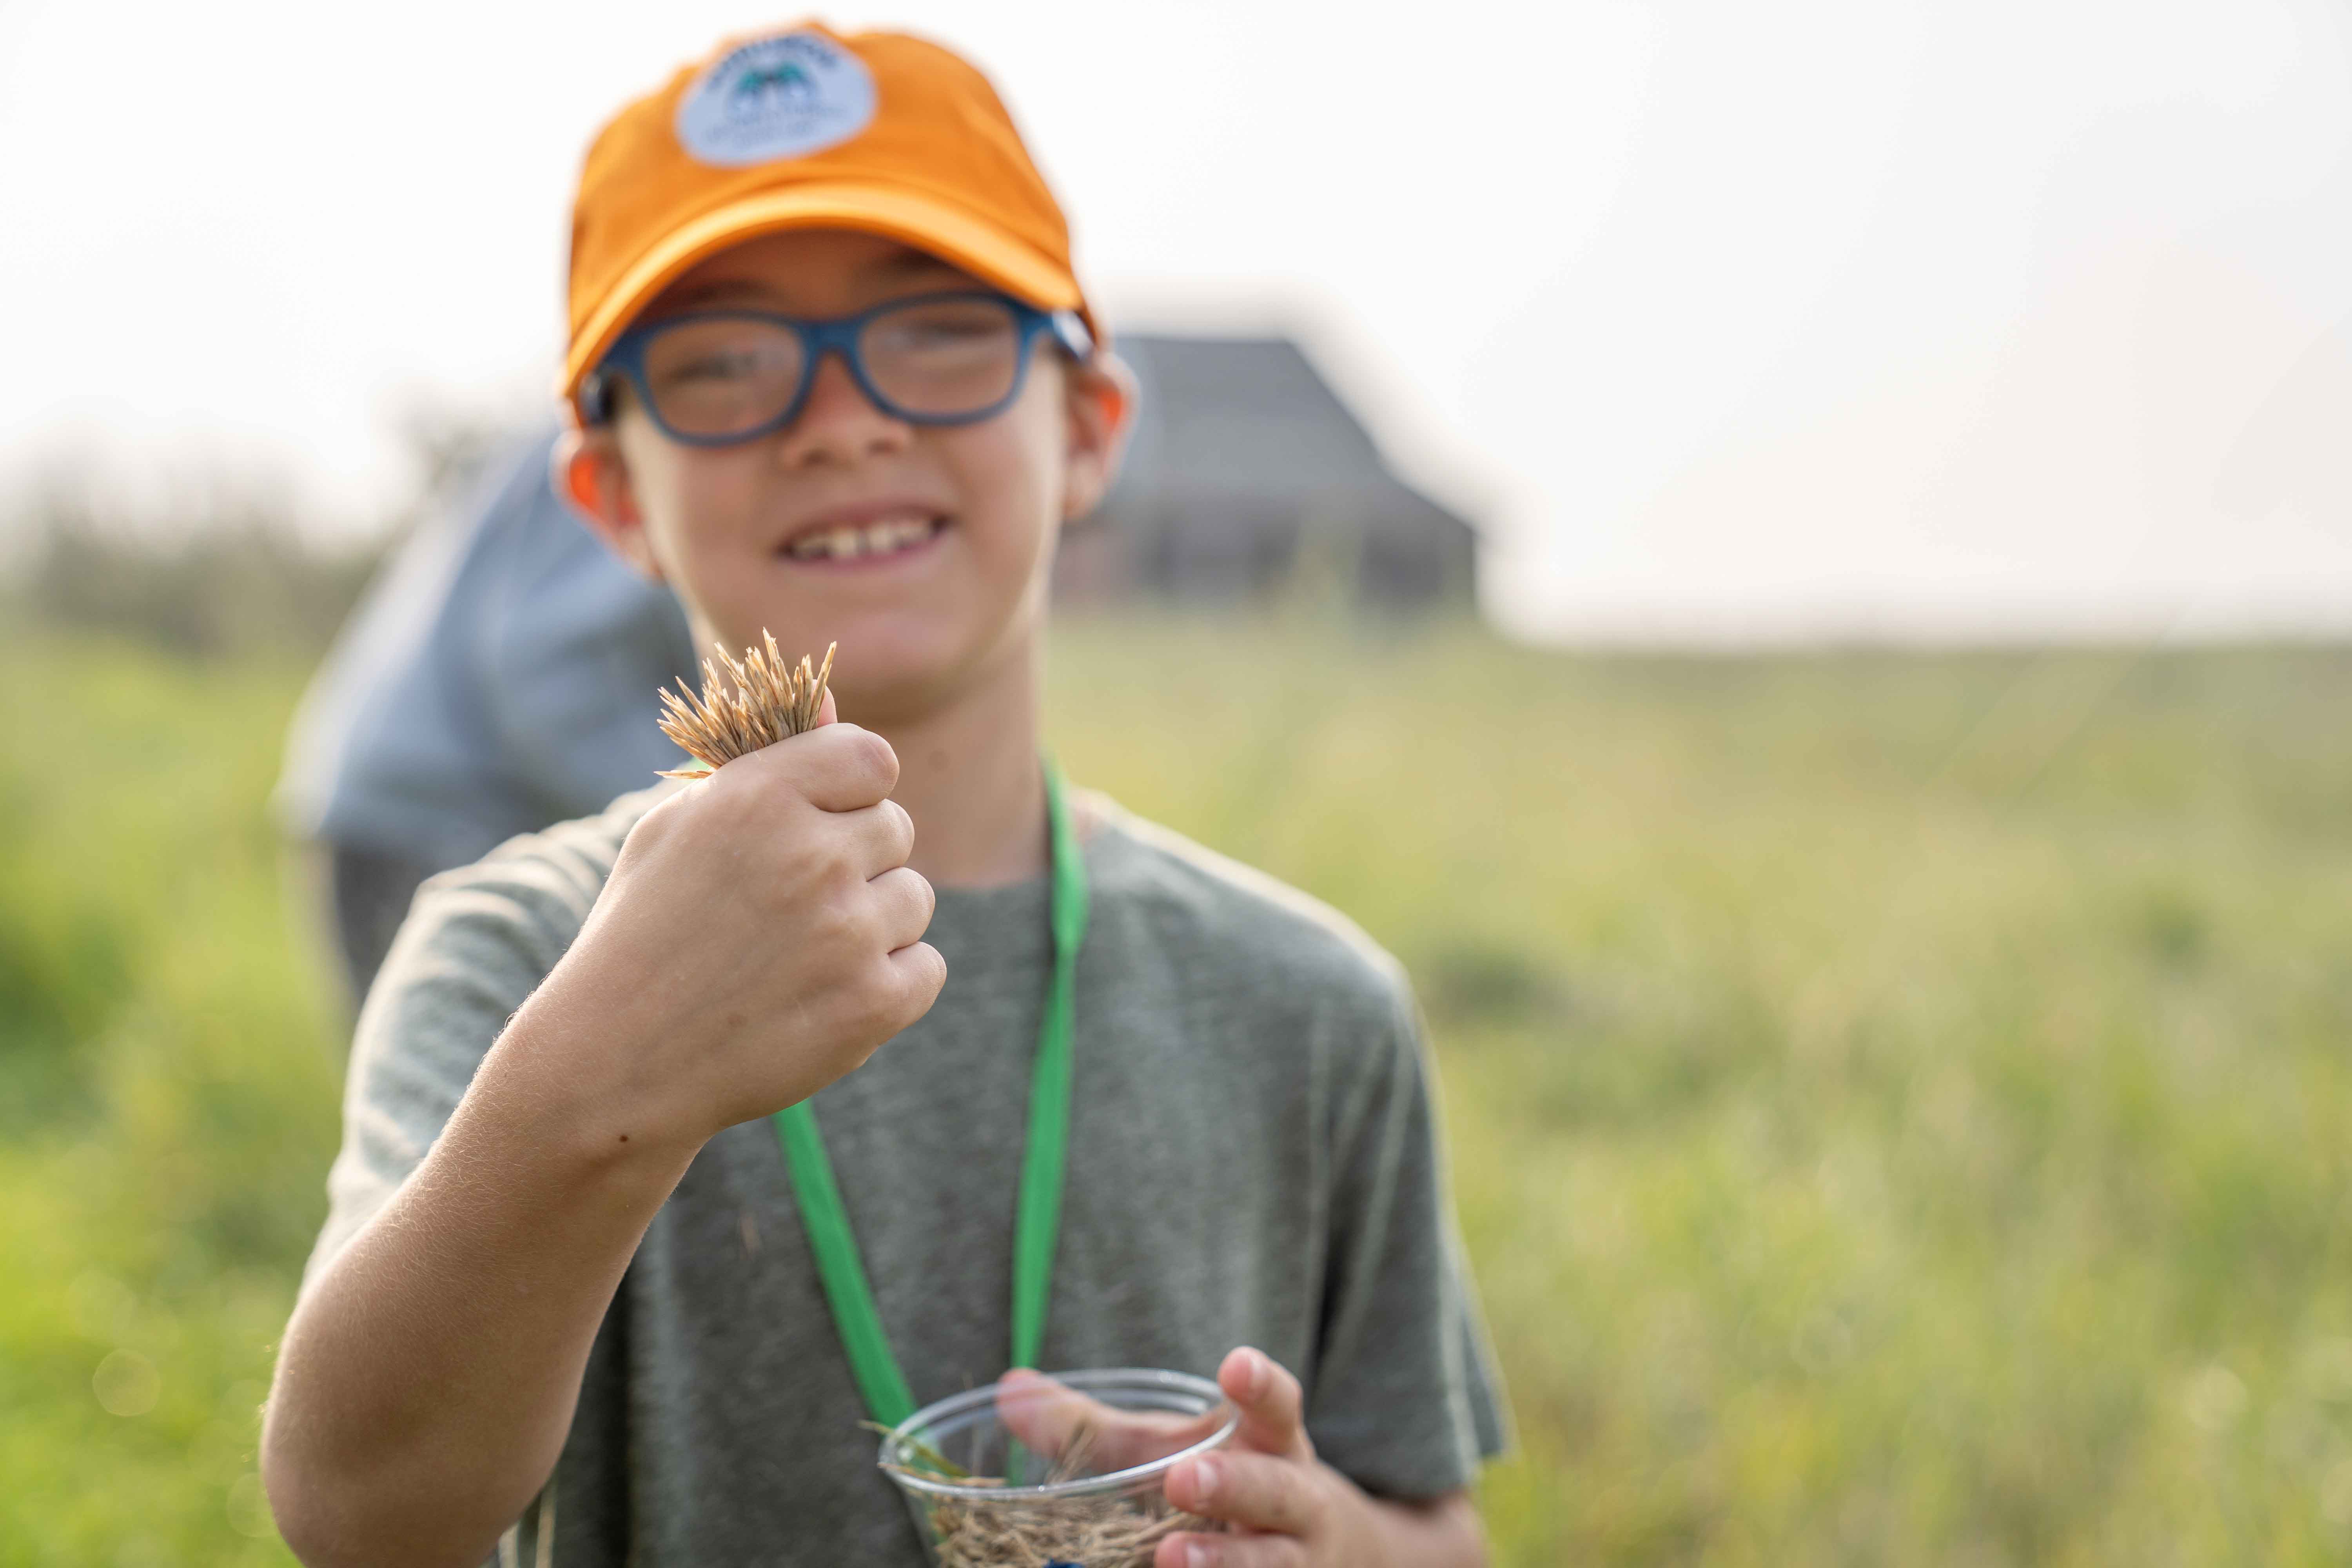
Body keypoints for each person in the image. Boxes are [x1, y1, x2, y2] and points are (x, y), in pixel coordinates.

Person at [261, 22, 1507, 1567]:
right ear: (608, 496)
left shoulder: (1311, 1007)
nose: (842, 417)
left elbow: (1435, 1518)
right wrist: (604, 1072)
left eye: (938, 332)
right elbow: (359, 1514)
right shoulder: (515, 956)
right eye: (724, 363)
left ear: (1089, 428)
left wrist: (1346, 1545)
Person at [275, 432, 692, 1005]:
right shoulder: (625, 431)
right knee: (482, 1081)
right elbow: (547, 665)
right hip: (440, 815)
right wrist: (697, 811)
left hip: (399, 798)